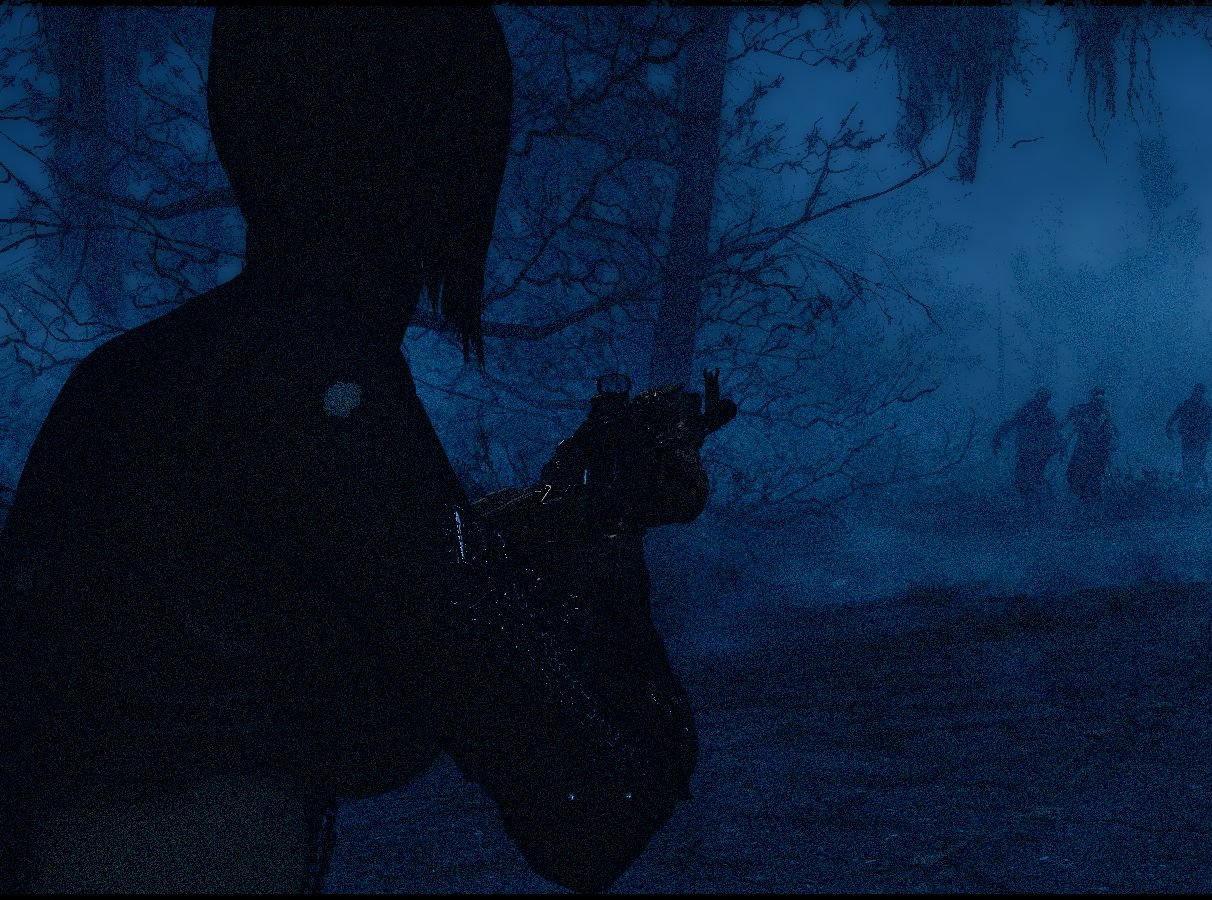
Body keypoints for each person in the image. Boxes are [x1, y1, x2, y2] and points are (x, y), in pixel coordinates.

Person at [0, 9, 702, 893]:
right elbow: (591, 815)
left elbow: (335, 627)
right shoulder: (324, 388)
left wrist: (542, 528)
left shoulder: (123, 379)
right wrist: (605, 544)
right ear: (437, 157)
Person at [992, 387, 1065, 501]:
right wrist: (997, 438)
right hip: (1027, 450)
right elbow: (1010, 423)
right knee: (1023, 476)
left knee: (1034, 476)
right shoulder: (1027, 411)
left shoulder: (1047, 414)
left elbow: (1055, 432)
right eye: (1042, 398)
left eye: (1046, 399)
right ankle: (1025, 499)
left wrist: (1060, 448)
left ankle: (1032, 499)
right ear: (1037, 397)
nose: (1044, 401)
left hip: (1040, 451)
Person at [1166, 382, 1212, 488]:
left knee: (1193, 462)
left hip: (1195, 438)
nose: (1198, 394)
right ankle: (1196, 484)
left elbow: (1173, 418)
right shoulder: (1198, 405)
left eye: (1199, 392)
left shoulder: (1198, 405)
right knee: (1192, 462)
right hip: (1194, 437)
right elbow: (1173, 418)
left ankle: (1197, 484)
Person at [1063, 386, 1117, 503]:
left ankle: (1091, 504)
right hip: (1083, 450)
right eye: (1097, 397)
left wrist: (1110, 447)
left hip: (1097, 452)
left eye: (1101, 398)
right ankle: (1080, 501)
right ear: (1092, 398)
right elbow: (1068, 422)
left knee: (1093, 480)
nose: (1099, 401)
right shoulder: (1082, 409)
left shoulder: (1104, 414)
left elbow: (1112, 433)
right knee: (1073, 474)